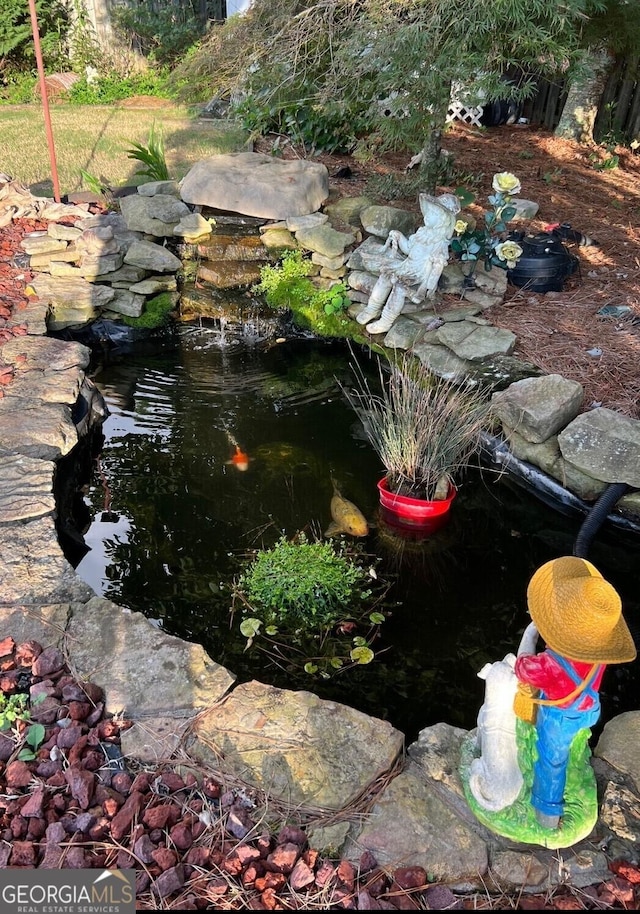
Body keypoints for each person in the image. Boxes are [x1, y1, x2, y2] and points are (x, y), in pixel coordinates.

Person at [514, 556, 637, 830]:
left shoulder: (550, 664)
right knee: (575, 738)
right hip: (589, 708)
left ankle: (547, 819)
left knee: (551, 762)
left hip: (561, 717)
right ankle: (576, 750)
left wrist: (531, 634)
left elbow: (523, 669)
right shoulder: (599, 648)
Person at [356, 192, 461, 334]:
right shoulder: (422, 232)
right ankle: (372, 308)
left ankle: (386, 321)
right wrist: (399, 237)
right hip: (406, 266)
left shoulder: (440, 243)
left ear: (443, 221)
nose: (428, 216)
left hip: (419, 276)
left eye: (434, 214)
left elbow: (438, 267)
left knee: (399, 288)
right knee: (385, 276)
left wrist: (428, 287)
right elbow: (408, 249)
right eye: (429, 212)